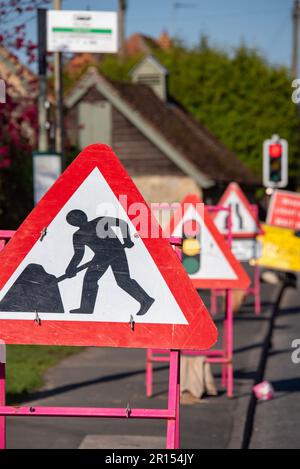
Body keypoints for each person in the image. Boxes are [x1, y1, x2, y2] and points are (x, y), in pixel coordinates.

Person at [65, 209, 154, 316]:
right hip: (100, 257)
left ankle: (146, 300)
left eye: (77, 217)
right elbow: (78, 254)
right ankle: (86, 308)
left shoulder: (99, 221)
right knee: (89, 279)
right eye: (73, 220)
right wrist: (71, 268)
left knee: (123, 280)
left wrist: (127, 240)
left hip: (116, 252)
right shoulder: (78, 236)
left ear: (84, 216)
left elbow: (122, 224)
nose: (76, 220)